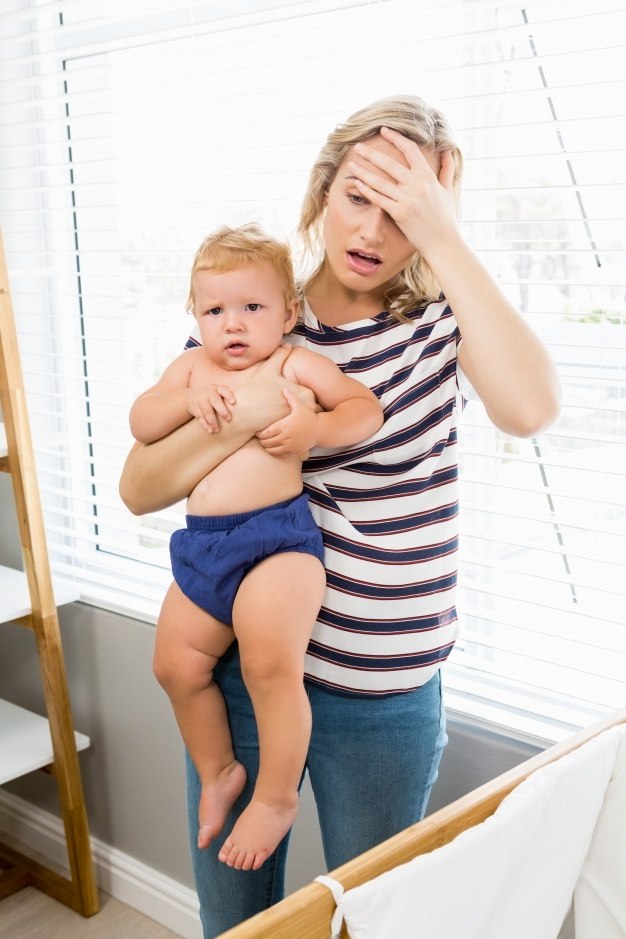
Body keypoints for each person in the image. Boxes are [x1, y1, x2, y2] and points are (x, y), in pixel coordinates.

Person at [119, 95, 561, 936]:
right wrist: (253, 411)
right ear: (324, 189)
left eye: (406, 215)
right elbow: (141, 486)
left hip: (383, 691)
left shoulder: (437, 328)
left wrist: (446, 237)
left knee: (379, 918)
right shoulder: (252, 317)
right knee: (240, 920)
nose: (372, 232)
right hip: (245, 676)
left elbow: (532, 408)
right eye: (359, 196)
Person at [129, 223, 383, 873]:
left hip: (278, 543)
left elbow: (363, 408)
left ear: (288, 313)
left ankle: (274, 797)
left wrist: (314, 424)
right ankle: (219, 772)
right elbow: (143, 419)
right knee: (174, 665)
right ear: (195, 314)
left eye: (252, 308)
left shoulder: (291, 361)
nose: (233, 325)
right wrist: (185, 396)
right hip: (205, 548)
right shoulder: (190, 368)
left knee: (269, 664)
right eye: (215, 310)